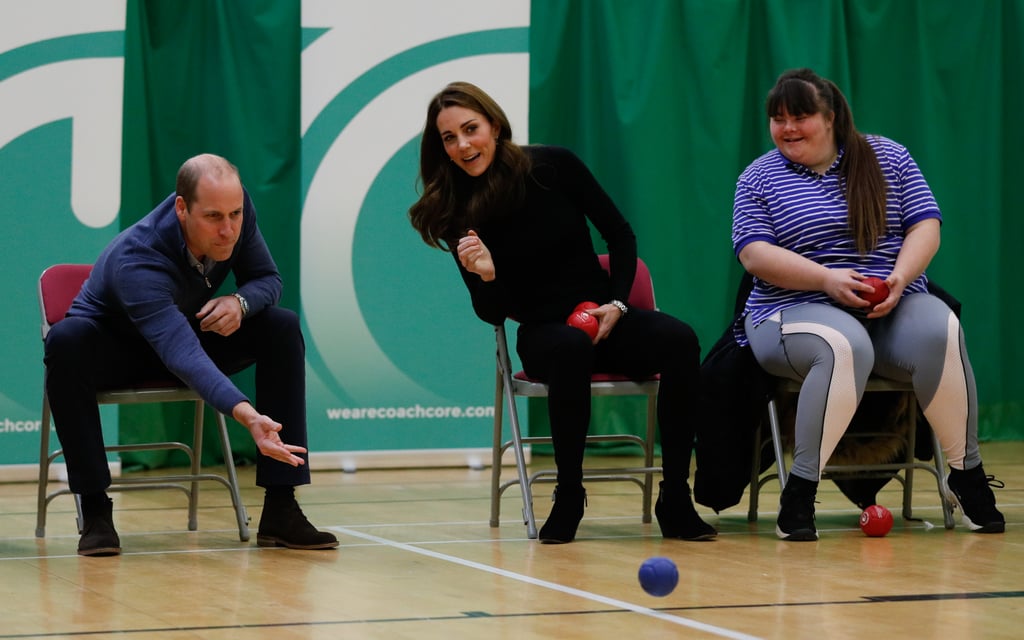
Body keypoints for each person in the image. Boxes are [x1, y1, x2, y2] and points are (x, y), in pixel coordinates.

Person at [408, 81, 715, 544]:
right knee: (569, 348)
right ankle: (569, 495)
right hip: (544, 333)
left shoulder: (554, 166)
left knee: (680, 339)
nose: (463, 145)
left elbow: (620, 235)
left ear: (494, 125)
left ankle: (675, 495)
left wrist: (616, 303)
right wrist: (489, 275)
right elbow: (491, 313)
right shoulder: (457, 211)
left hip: (606, 318)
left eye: (470, 129)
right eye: (449, 138)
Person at [732, 68, 1004, 541]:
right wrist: (826, 279)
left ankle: (966, 475)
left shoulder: (890, 156)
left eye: (800, 116)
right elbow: (754, 254)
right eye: (778, 119)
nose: (788, 128)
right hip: (787, 312)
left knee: (943, 328)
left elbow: (926, 225)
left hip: (891, 304)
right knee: (843, 344)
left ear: (831, 117)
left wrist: (900, 278)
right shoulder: (758, 176)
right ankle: (800, 490)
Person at [44, 154, 339, 556]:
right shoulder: (139, 257)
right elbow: (178, 351)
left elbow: (268, 279)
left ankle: (281, 508)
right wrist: (246, 414)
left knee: (280, 327)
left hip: (185, 333)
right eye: (214, 217)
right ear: (182, 209)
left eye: (235, 214)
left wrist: (240, 302)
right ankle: (95, 509)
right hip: (116, 352)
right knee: (65, 340)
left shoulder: (236, 211)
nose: (228, 229)